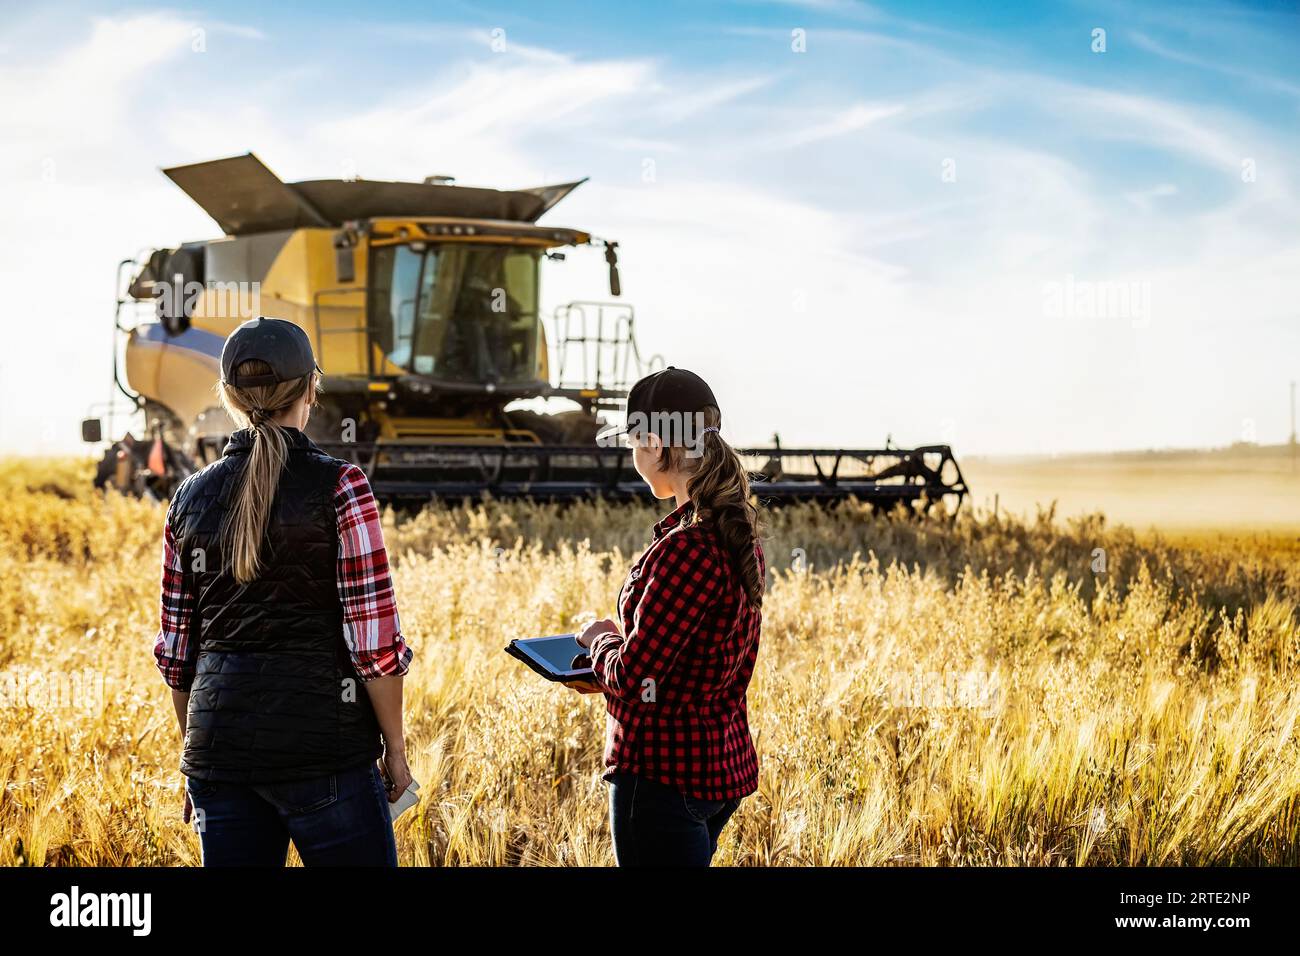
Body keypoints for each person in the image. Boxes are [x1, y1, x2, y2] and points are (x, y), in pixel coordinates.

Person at [153, 316, 413, 867]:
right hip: (327, 757)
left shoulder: (187, 499)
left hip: (217, 759)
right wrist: (396, 750)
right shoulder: (343, 487)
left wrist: (198, 753)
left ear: (229, 396)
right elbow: (375, 647)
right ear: (311, 388)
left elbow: (178, 656)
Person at [575, 367, 765, 867]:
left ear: (657, 445)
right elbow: (698, 662)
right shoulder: (735, 533)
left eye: (636, 443)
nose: (634, 457)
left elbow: (635, 677)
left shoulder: (686, 548)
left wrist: (600, 642)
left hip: (661, 775)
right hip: (718, 768)